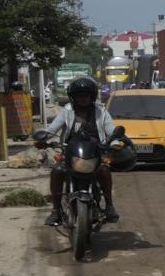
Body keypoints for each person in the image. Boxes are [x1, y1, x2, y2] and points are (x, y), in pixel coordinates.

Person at [42, 75, 120, 226]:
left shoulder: (101, 111)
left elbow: (111, 130)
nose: (83, 99)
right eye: (79, 95)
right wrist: (43, 138)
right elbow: (52, 129)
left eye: (86, 95)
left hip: (95, 153)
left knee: (104, 170)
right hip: (71, 154)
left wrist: (115, 142)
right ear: (73, 97)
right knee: (57, 171)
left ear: (92, 96)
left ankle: (109, 206)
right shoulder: (67, 110)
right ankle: (56, 210)